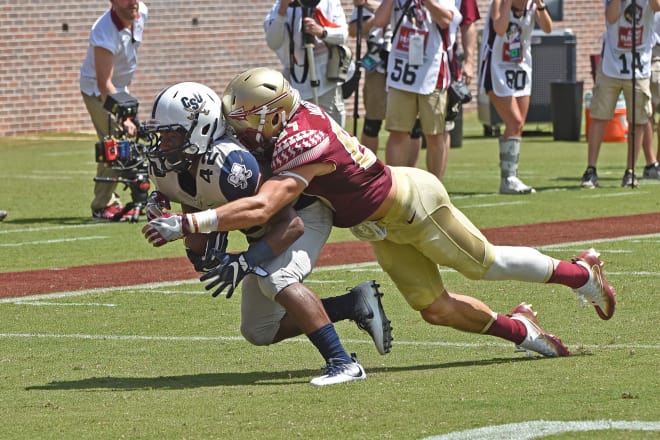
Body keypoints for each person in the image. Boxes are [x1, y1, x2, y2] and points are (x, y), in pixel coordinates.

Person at [143, 68, 617, 362]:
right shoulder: (278, 125)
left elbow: (268, 205)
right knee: (436, 310)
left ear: (271, 114)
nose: (238, 126)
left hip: (412, 205)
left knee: (486, 264)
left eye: (244, 117)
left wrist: (189, 223)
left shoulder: (302, 139)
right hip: (379, 228)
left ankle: (581, 275)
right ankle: (522, 330)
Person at [142, 82, 392, 386]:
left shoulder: (231, 165)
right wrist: (173, 221)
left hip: (302, 215)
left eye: (172, 136)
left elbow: (290, 225)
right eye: (162, 136)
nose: (163, 145)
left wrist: (247, 260)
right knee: (259, 329)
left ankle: (343, 364)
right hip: (268, 229)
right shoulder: (168, 167)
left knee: (276, 279)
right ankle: (353, 304)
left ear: (202, 128)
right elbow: (201, 247)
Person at [372, 0, 461, 181]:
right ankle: (396, 189)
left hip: (433, 72)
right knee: (398, 132)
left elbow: (445, 20)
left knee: (435, 134)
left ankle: (436, 187)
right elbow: (379, 21)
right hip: (401, 72)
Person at [80, 0, 148, 221]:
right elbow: (103, 84)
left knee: (118, 142)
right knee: (115, 143)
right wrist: (124, 117)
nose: (133, 2)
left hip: (120, 90)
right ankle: (102, 207)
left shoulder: (141, 11)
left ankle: (125, 199)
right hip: (97, 92)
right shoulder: (103, 31)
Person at [580, 0, 660, 189]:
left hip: (639, 67)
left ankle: (630, 171)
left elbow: (657, 6)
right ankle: (591, 169)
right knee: (600, 116)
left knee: (638, 120)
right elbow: (611, 16)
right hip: (612, 66)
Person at [478, 0, 552, 194]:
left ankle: (511, 176)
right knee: (514, 121)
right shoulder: (500, 3)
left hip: (520, 69)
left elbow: (548, 28)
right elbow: (500, 29)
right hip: (497, 68)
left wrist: (541, 6)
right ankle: (508, 178)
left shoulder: (532, 6)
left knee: (518, 125)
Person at [348, 0, 423, 155]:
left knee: (414, 125)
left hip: (408, 62)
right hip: (378, 63)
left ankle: (411, 172)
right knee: (372, 121)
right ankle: (369, 171)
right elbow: (354, 31)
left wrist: (371, 5)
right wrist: (376, 17)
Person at [264, 0, 349, 128]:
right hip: (295, 83)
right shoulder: (281, 5)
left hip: (326, 83)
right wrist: (282, 10)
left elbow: (343, 35)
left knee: (333, 132)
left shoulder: (329, 2)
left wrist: (321, 32)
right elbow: (273, 42)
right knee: (302, 134)